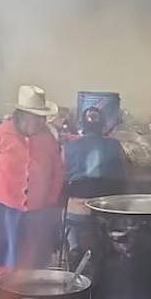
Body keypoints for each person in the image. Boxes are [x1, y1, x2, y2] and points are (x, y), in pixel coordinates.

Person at [0, 85, 66, 275]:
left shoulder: (47, 137)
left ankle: (30, 287)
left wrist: (51, 198)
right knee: (5, 261)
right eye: (38, 117)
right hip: (5, 208)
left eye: (43, 117)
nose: (42, 121)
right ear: (23, 116)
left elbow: (58, 171)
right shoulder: (1, 133)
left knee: (34, 261)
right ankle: (4, 287)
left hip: (38, 210)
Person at [63, 107, 126, 266]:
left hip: (79, 207)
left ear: (81, 126)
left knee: (63, 213)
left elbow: (61, 175)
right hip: (107, 208)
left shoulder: (69, 147)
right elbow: (124, 173)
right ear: (103, 126)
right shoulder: (116, 145)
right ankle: (109, 254)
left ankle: (74, 248)